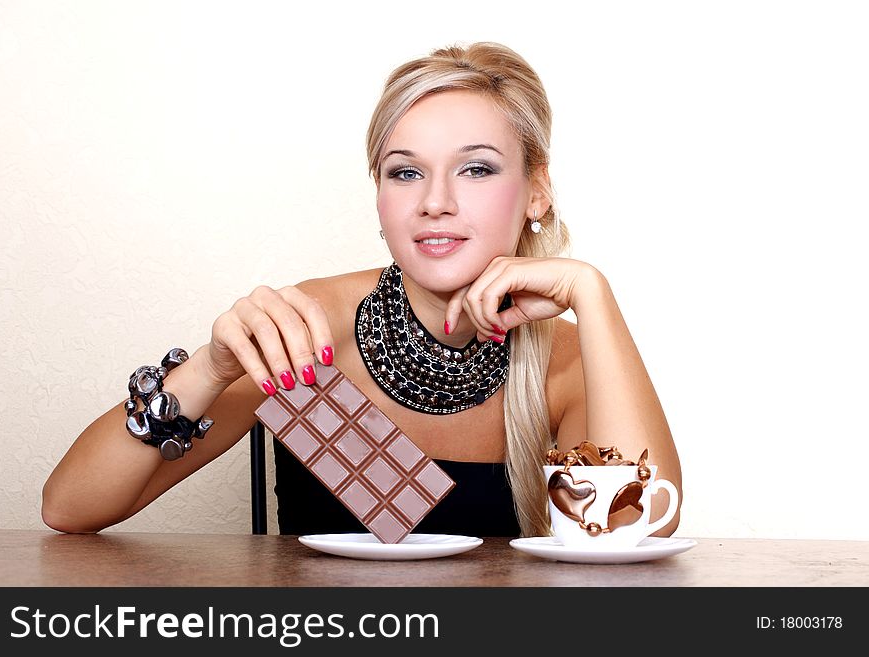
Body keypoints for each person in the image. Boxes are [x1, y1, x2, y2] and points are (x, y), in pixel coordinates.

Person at [42, 41, 682, 539]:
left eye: (477, 169)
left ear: (537, 190)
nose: (436, 202)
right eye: (406, 172)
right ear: (380, 196)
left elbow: (629, 532)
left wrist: (591, 293)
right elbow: (69, 508)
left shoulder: (564, 362)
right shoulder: (310, 328)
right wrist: (210, 368)